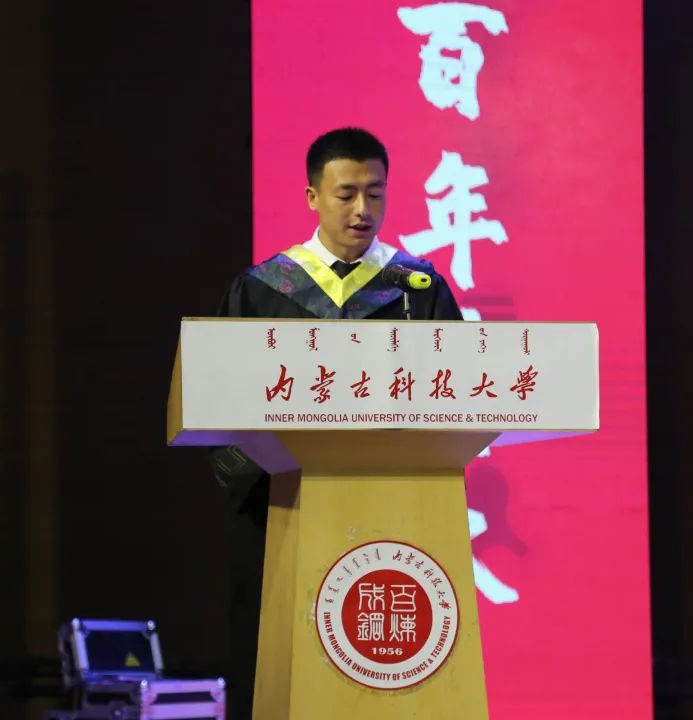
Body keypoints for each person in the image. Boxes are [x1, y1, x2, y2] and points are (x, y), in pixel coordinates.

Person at [211, 127, 463, 719]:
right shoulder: (264, 289)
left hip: (394, 506)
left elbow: (456, 391)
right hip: (287, 505)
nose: (362, 209)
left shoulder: (417, 289)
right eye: (346, 193)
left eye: (375, 193)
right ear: (313, 197)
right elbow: (221, 404)